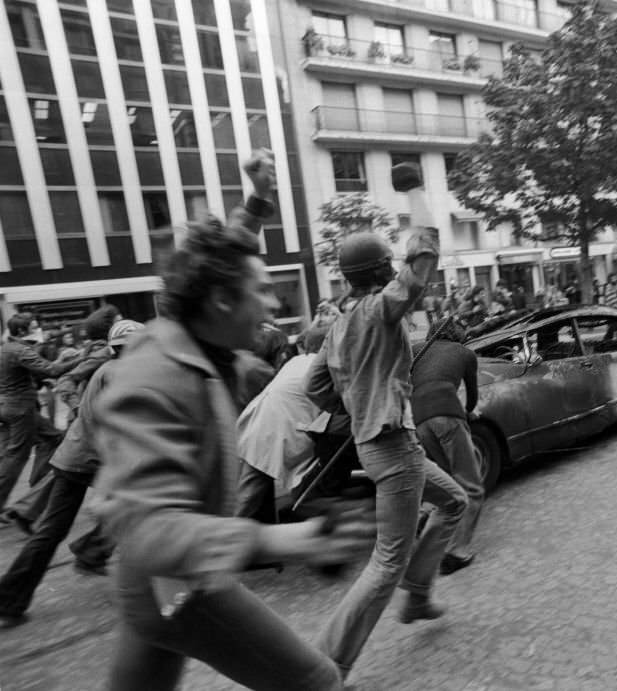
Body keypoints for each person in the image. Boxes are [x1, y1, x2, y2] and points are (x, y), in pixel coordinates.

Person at [91, 151, 376, 691]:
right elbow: (152, 531)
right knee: (317, 682)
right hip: (171, 579)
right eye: (262, 292)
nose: (271, 305)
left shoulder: (199, 326)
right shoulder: (150, 378)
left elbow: (226, 258)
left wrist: (259, 197)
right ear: (221, 302)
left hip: (157, 585)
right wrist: (290, 541)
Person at [308, 164, 467, 683]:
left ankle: (418, 597)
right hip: (394, 449)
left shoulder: (336, 327)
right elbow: (421, 261)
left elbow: (316, 388)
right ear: (379, 273)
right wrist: (417, 192)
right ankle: (328, 664)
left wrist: (359, 404)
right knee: (386, 560)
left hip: (384, 445)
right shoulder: (378, 311)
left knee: (454, 502)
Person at [0, 320, 143, 629]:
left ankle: (10, 598)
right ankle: (102, 560)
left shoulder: (108, 370)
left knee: (50, 531)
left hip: (73, 458)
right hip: (93, 460)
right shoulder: (123, 377)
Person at [235, 326, 330, 524]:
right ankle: (225, 538)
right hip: (273, 430)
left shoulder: (298, 361)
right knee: (249, 494)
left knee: (254, 489)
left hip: (262, 423)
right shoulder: (320, 367)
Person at [411, 317, 482, 576]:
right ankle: (457, 552)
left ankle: (424, 516)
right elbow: (472, 395)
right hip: (448, 414)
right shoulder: (464, 353)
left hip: (419, 420)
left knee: (446, 479)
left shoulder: (417, 350)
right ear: (458, 334)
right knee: (472, 487)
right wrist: (468, 412)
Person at [0, 314, 81, 512]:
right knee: (16, 457)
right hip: (20, 409)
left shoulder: (6, 348)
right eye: (35, 326)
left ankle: (37, 485)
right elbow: (51, 370)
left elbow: (37, 373)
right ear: (21, 331)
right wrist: (83, 358)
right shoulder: (20, 350)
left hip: (9, 407)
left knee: (52, 438)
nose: (39, 330)